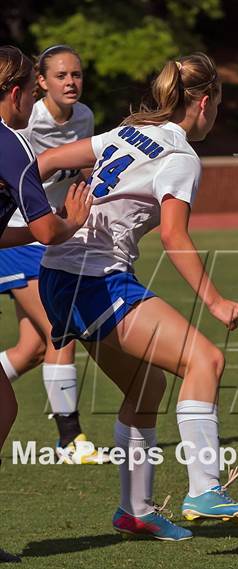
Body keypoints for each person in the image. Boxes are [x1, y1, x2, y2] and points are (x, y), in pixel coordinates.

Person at [37, 52, 238, 541]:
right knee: (205, 361)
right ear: (203, 103)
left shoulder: (128, 132)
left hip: (57, 275)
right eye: (217, 104)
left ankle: (135, 510)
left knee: (146, 390)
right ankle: (205, 489)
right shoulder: (181, 156)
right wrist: (216, 301)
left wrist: (30, 214)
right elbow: (175, 237)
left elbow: (48, 160)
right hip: (95, 279)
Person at [0, 44, 91, 563]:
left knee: (5, 405)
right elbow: (45, 230)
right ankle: (69, 433)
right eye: (33, 90)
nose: (34, 99)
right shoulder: (13, 145)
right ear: (16, 93)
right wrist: (72, 222)